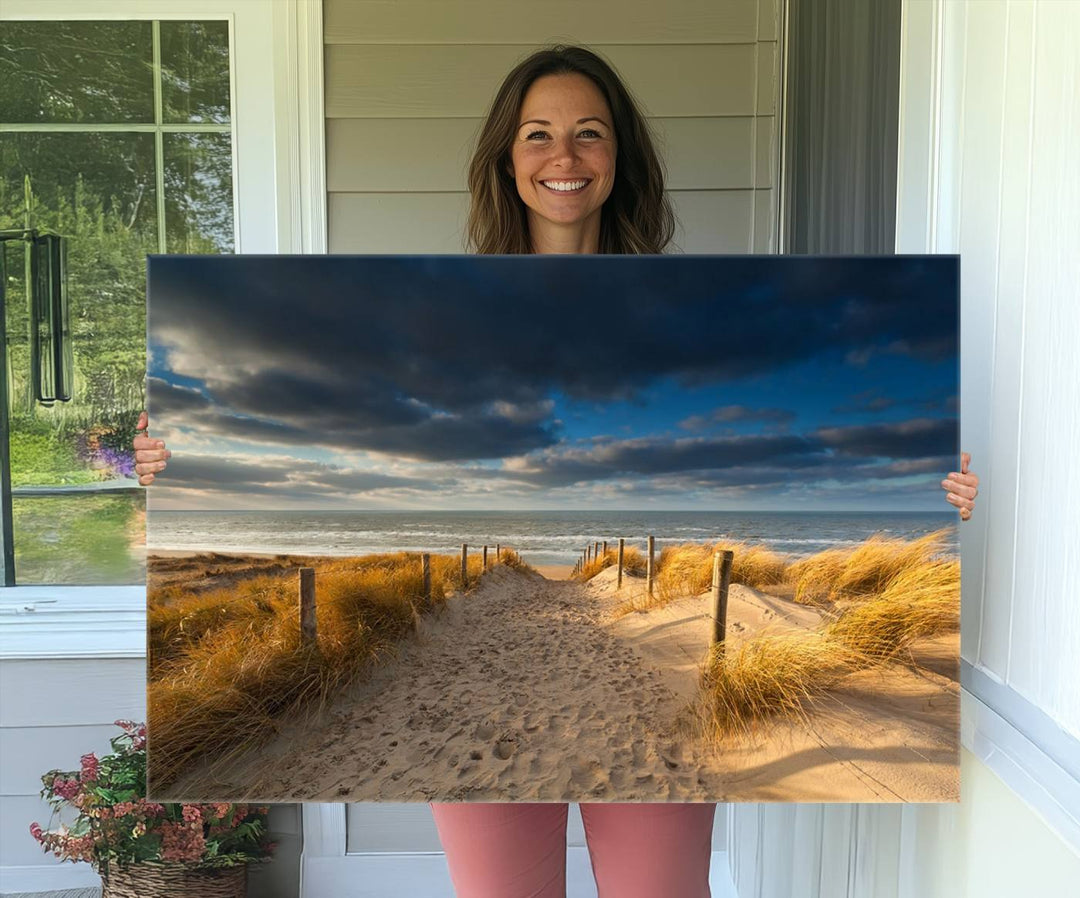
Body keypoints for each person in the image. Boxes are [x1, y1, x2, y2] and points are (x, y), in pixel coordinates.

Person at [133, 45, 979, 898]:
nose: (563, 157)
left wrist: (934, 491)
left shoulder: (684, 311)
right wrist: (174, 463)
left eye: (589, 134)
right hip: (477, 705)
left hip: (649, 714)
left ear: (620, 158)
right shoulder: (444, 315)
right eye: (538, 134)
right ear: (507, 157)